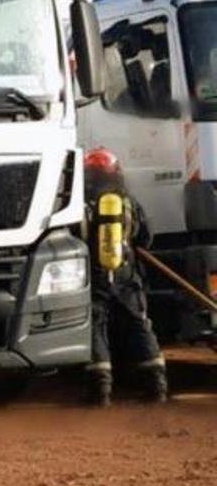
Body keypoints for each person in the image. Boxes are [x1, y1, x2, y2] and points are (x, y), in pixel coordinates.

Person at [82, 147, 168, 406]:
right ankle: (157, 387)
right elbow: (146, 238)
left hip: (93, 274)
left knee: (95, 326)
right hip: (125, 272)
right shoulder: (128, 201)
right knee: (138, 323)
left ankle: (101, 392)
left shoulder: (81, 203)